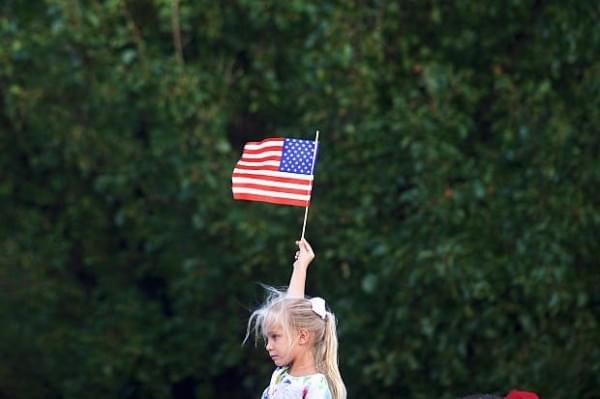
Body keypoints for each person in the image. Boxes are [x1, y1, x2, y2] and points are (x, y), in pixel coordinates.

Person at [245, 238, 347, 399]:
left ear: (302, 336)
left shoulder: (316, 389)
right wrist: (300, 267)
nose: (268, 346)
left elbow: (291, 318)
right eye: (268, 338)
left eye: (275, 337)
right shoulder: (281, 375)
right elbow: (291, 312)